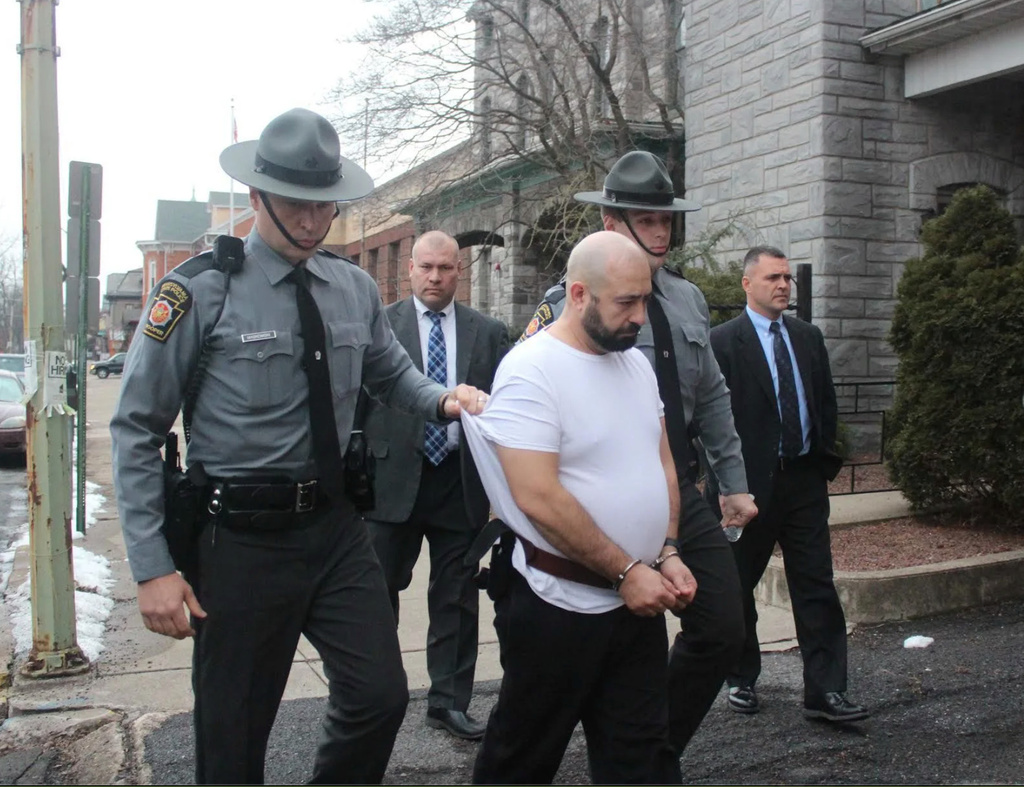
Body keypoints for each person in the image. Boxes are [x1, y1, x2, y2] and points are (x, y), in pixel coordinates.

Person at [109, 108, 487, 785]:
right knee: (234, 732)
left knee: (379, 697)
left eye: (324, 205)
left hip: (337, 529)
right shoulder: (199, 290)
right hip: (242, 542)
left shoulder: (353, 286)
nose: (313, 221)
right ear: (257, 197)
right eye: (296, 205)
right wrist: (152, 565)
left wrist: (442, 397)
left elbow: (388, 372)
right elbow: (137, 427)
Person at [519, 150, 756, 752]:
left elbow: (713, 397)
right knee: (590, 648)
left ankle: (653, 742)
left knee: (724, 624)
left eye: (665, 220)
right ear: (611, 225)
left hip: (680, 490)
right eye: (643, 219)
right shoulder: (576, 301)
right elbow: (528, 401)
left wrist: (733, 480)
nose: (658, 231)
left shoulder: (687, 300)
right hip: (603, 489)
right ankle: (623, 741)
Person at [462, 231, 696, 784]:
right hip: (556, 607)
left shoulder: (636, 364)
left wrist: (667, 549)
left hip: (635, 603)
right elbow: (536, 495)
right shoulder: (531, 369)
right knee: (522, 757)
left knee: (642, 759)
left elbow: (661, 461)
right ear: (579, 294)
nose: (640, 316)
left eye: (645, 300)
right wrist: (625, 569)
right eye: (626, 303)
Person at [705, 245, 868, 722]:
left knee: (816, 585)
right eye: (773, 278)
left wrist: (822, 464)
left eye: (786, 278)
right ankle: (741, 677)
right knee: (739, 584)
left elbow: (824, 403)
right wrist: (720, 484)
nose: (782, 285)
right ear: (747, 285)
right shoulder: (722, 342)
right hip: (747, 487)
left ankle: (826, 692)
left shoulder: (807, 338)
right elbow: (711, 419)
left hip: (802, 482)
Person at [362, 230, 509, 741]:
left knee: (456, 595)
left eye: (446, 268)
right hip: (391, 480)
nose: (435, 276)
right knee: (378, 592)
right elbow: (358, 405)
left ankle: (448, 700)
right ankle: (374, 696)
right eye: (426, 267)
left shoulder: (487, 333)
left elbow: (503, 411)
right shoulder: (381, 326)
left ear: (459, 271)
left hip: (458, 479)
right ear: (409, 269)